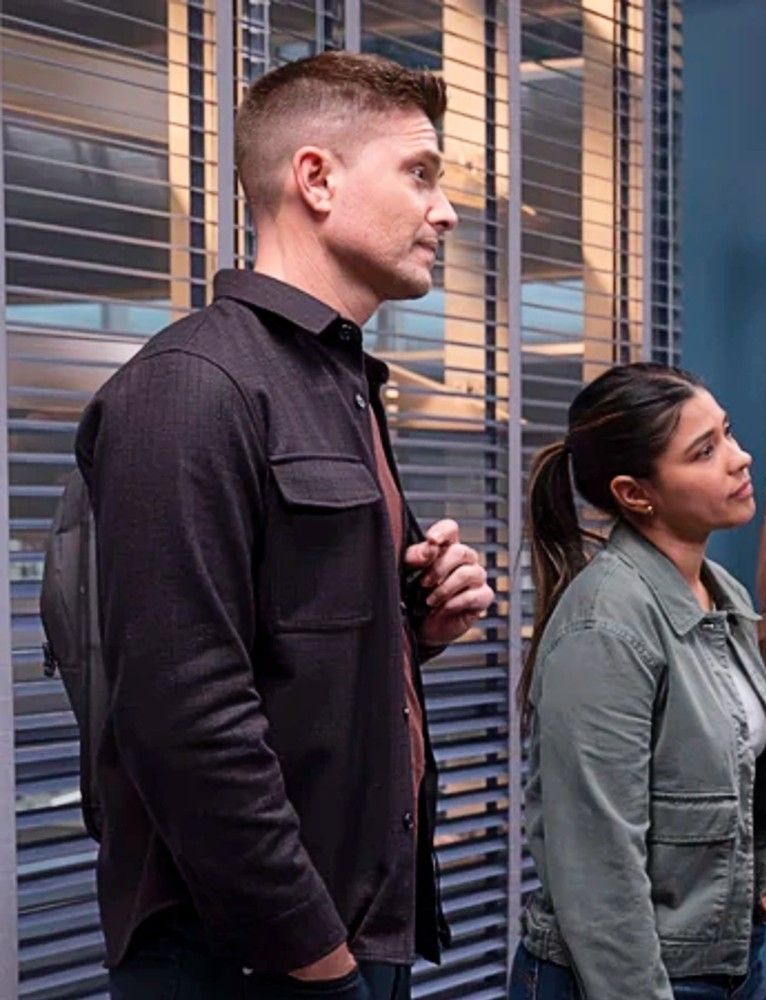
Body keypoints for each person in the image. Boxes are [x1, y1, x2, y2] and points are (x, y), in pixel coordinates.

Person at [79, 51, 496, 999]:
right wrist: (313, 955)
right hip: (254, 958)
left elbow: (290, 653)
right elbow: (182, 714)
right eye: (420, 173)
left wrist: (415, 626)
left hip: (350, 931)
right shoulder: (194, 386)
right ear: (316, 178)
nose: (445, 211)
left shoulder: (340, 383)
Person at [508, 364, 766, 1000]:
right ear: (635, 493)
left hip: (726, 961)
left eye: (727, 433)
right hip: (627, 977)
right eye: (704, 451)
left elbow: (727, 776)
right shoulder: (604, 626)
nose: (739, 458)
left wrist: (757, 873)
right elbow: (599, 873)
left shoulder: (719, 593)